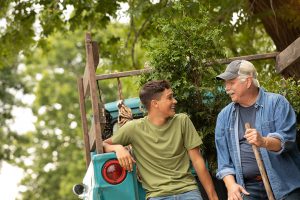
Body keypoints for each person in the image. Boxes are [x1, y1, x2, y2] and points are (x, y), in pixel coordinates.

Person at [103, 80, 218, 200]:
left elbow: (197, 161)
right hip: (158, 196)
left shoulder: (182, 121)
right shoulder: (134, 128)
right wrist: (117, 148)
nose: (175, 101)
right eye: (170, 98)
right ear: (155, 103)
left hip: (188, 191)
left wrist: (213, 197)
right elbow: (103, 144)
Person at [215, 60, 300, 200]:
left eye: (231, 82)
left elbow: (287, 140)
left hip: (284, 184)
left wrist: (264, 141)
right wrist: (231, 186)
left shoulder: (277, 103)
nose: (226, 88)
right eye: (225, 83)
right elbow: (224, 162)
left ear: (248, 82)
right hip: (248, 188)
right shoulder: (224, 117)